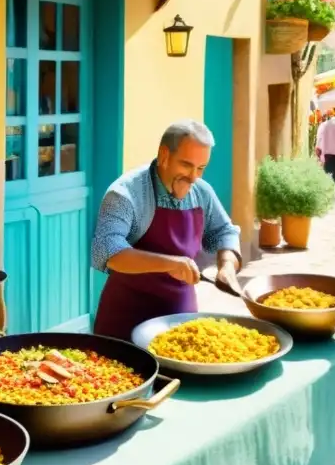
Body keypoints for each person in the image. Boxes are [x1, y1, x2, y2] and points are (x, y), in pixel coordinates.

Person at [91, 120, 242, 341]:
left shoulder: (201, 192)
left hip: (181, 320)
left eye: (201, 168)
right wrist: (171, 263)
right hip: (125, 320)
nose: (194, 177)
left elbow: (224, 232)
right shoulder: (124, 194)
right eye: (186, 165)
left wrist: (227, 266)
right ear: (164, 155)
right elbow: (108, 251)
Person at [315, 111, 335, 193]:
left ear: (326, 116)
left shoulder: (324, 125)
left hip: (328, 155)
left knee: (328, 176)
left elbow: (319, 140)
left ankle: (329, 194)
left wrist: (318, 153)